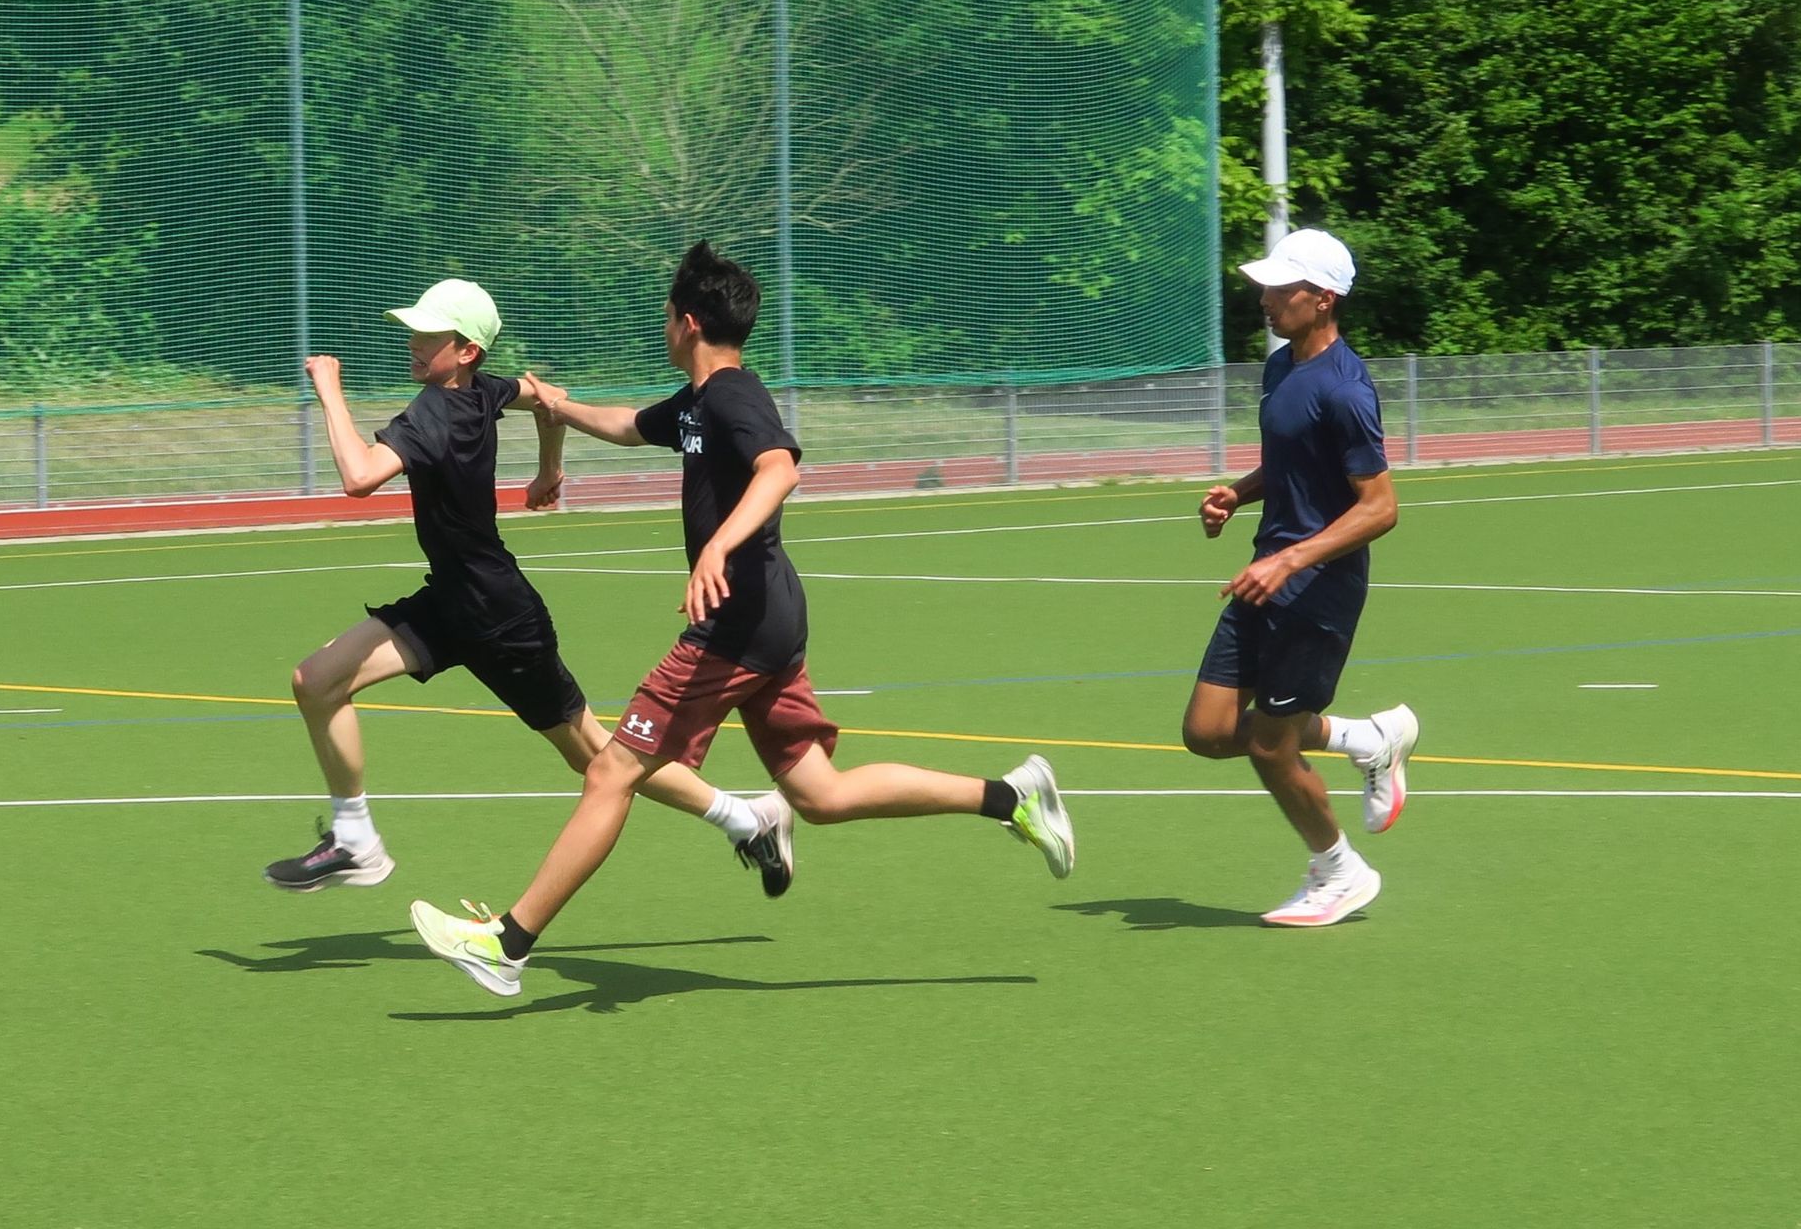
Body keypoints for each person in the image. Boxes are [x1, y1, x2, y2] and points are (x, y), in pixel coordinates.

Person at [409, 243, 1075, 998]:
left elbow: (779, 467)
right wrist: (556, 406)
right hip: (769, 618)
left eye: (667, 315)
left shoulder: (732, 397)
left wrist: (719, 547)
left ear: (687, 323)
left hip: (733, 626)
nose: (664, 326)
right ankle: (1011, 796)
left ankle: (507, 944)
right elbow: (628, 424)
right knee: (819, 796)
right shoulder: (697, 403)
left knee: (609, 770)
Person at [263, 277, 794, 898]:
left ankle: (748, 818)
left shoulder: (434, 412)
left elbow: (358, 477)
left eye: (429, 334)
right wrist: (550, 468)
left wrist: (330, 392)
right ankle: (356, 840)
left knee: (596, 756)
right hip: (452, 600)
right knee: (316, 681)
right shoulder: (483, 388)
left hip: (498, 617)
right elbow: (547, 396)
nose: (414, 342)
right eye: (414, 330)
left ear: (466, 350)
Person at [1181, 228, 1420, 927]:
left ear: (1322, 299)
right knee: (1206, 730)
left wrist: (1290, 559)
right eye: (1266, 286)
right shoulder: (1282, 367)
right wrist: (1239, 493)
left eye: (1281, 289)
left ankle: (1340, 873)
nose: (1266, 299)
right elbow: (1294, 460)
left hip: (1317, 587)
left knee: (1268, 745)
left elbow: (1380, 508)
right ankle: (1365, 739)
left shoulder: (1346, 390)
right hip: (1267, 570)